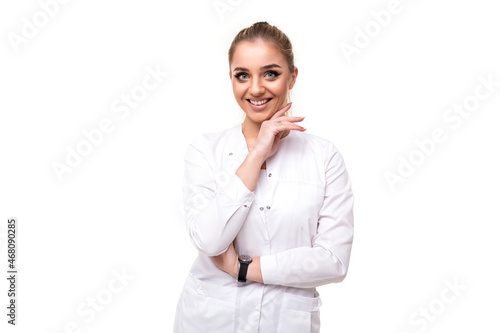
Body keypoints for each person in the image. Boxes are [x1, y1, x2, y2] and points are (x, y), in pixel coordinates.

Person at [174, 21, 354, 333]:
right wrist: (257, 154)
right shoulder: (204, 151)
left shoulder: (324, 157)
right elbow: (208, 239)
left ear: (293, 76)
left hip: (286, 321)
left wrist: (240, 268)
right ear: (231, 78)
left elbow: (333, 261)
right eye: (242, 75)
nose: (255, 88)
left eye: (270, 73)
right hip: (208, 321)